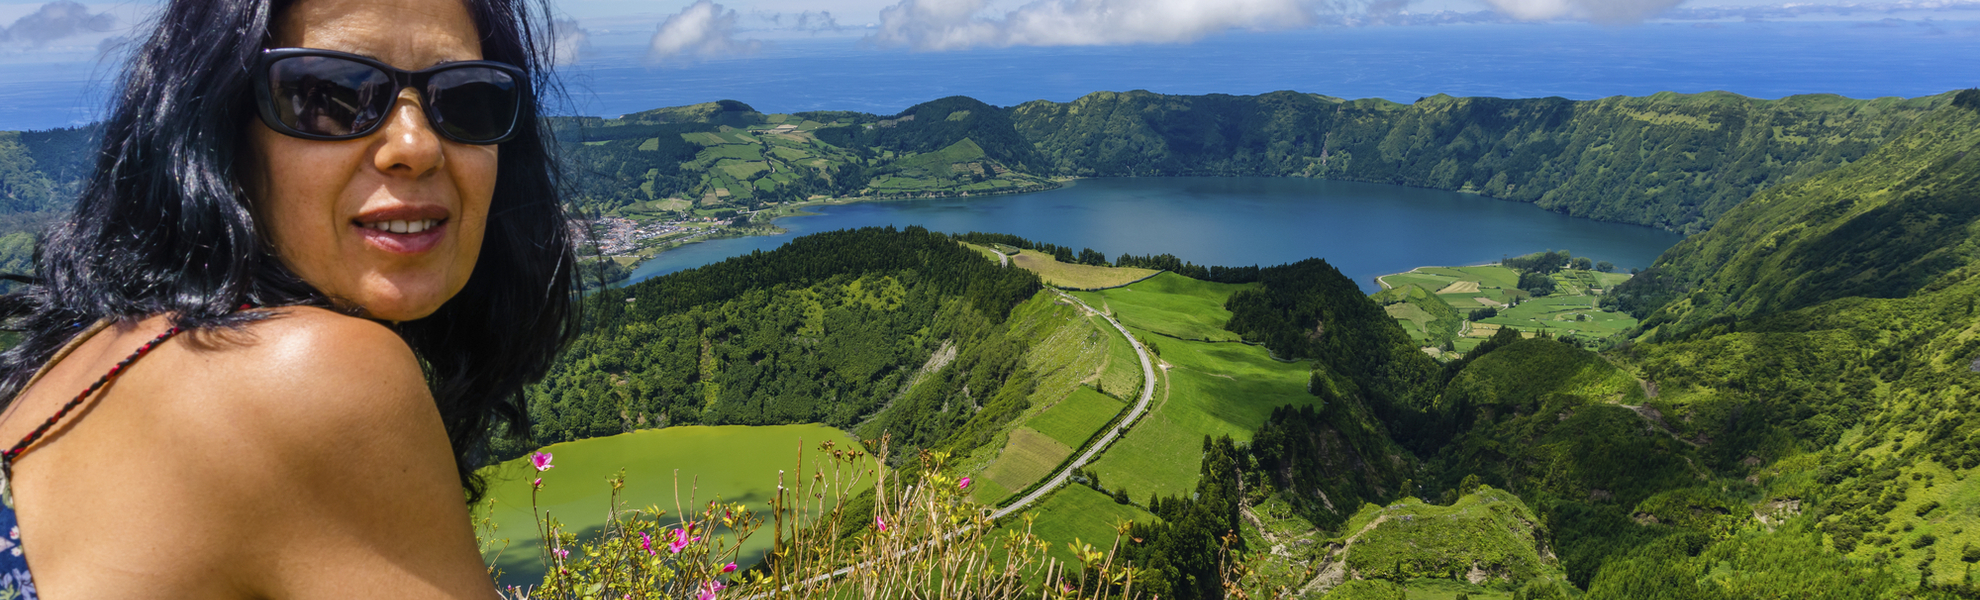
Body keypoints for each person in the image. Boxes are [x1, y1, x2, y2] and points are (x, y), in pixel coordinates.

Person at [0, 0, 576, 596]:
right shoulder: (310, 373)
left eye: (466, 98)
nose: (416, 145)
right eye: (327, 96)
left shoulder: (92, 352)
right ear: (221, 128)